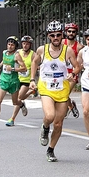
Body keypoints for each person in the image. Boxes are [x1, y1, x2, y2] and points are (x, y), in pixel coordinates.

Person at [29, 20, 80, 162]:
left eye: (58, 35)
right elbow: (34, 62)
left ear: (62, 35)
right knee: (50, 116)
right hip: (46, 87)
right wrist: (32, 80)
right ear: (48, 36)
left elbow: (77, 66)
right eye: (52, 35)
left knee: (58, 123)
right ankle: (45, 127)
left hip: (62, 89)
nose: (56, 38)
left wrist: (73, 73)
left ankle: (51, 150)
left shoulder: (67, 51)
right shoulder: (42, 50)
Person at [0, 36, 27, 129]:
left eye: (12, 45)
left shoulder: (16, 55)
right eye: (9, 44)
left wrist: (12, 69)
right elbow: (4, 60)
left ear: (15, 46)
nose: (10, 46)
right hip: (3, 79)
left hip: (13, 81)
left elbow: (24, 68)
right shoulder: (4, 52)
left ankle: (21, 104)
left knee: (15, 102)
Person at [5, 35, 36, 126]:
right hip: (17, 78)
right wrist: (0, 66)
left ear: (30, 45)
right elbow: (7, 59)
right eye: (23, 43)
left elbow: (35, 65)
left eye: (27, 44)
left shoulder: (33, 55)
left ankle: (12, 119)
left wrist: (32, 78)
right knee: (18, 99)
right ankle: (25, 100)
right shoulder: (18, 53)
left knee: (19, 98)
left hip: (26, 80)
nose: (25, 45)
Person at [64, 23, 84, 118]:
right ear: (66, 32)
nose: (71, 33)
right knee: (61, 93)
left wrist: (75, 72)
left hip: (73, 73)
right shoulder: (61, 43)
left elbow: (81, 62)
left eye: (73, 31)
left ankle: (69, 107)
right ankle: (71, 106)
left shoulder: (79, 47)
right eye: (69, 31)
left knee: (65, 93)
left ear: (76, 33)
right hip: (61, 72)